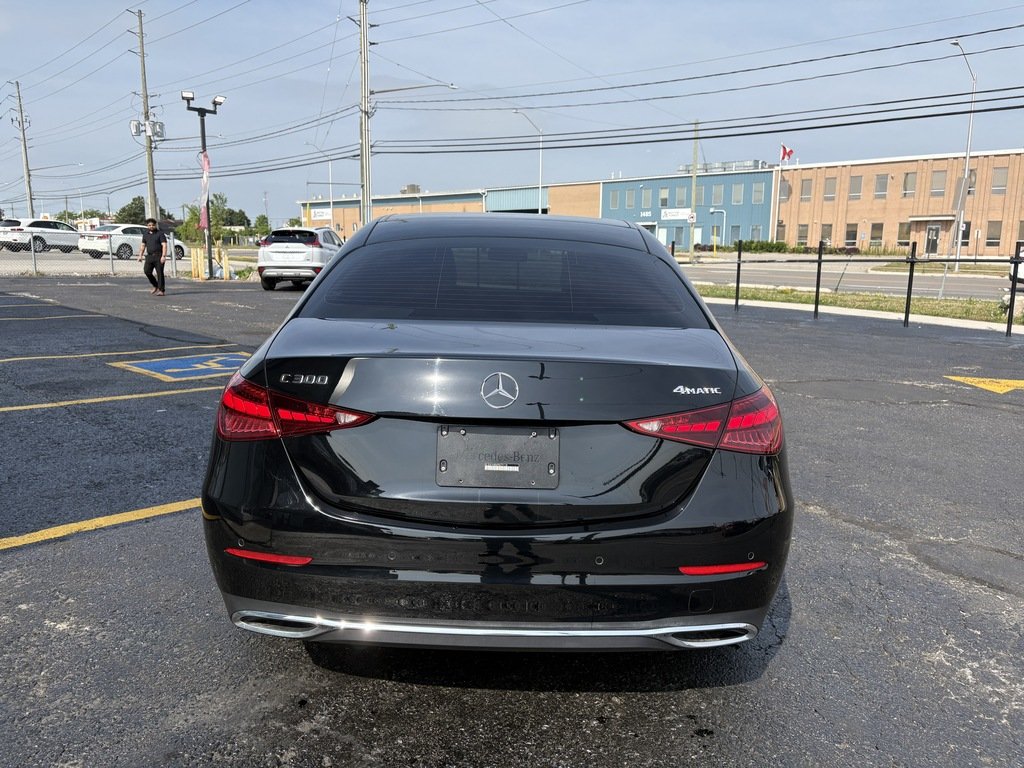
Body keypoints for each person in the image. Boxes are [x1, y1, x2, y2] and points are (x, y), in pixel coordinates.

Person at [138, 217, 167, 296]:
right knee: (147, 271)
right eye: (149, 225)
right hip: (149, 256)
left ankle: (161, 290)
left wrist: (163, 256)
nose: (151, 226)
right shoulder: (145, 234)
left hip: (159, 256)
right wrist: (140, 255)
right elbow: (143, 245)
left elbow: (164, 245)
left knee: (159, 273)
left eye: (153, 225)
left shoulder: (160, 234)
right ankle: (155, 285)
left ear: (155, 225)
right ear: (147, 226)